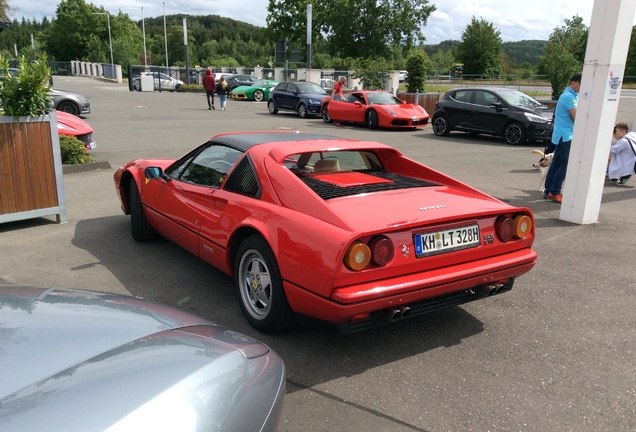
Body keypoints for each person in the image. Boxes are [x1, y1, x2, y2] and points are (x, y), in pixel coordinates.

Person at [543, 72, 581, 203]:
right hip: (566, 135)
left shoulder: (568, 95)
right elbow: (577, 116)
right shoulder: (570, 97)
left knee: (557, 163)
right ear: (574, 82)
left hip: (561, 135)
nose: (582, 87)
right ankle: (555, 191)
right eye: (581, 84)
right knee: (565, 164)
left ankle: (549, 190)